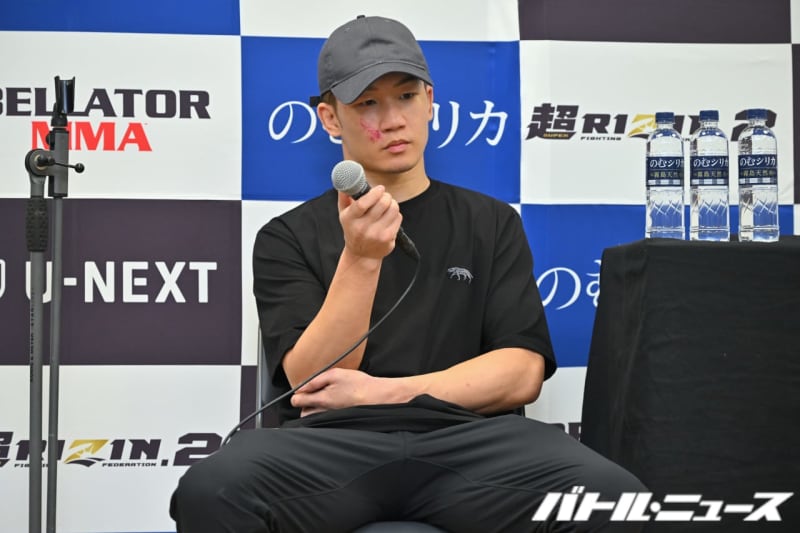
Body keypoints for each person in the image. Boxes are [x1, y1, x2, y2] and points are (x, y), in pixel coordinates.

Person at [170, 14, 646, 532]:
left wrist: (379, 392)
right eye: (367, 103)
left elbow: (520, 374)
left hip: (470, 440)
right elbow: (310, 379)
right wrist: (361, 258)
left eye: (406, 96)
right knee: (211, 490)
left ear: (430, 101)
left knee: (614, 497)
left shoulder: (490, 222)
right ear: (331, 119)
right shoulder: (286, 235)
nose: (393, 119)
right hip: (333, 444)